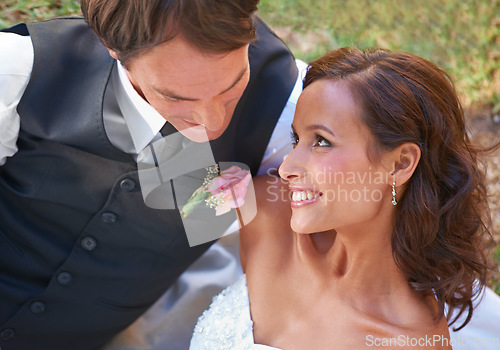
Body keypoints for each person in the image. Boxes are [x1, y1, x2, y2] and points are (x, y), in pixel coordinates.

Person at [0, 0, 304, 349]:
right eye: (176, 98)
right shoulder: (17, 71)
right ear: (111, 47)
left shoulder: (292, 109)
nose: (213, 123)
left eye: (232, 87)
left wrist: (262, 196)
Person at [189, 47, 500, 349]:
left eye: (322, 141)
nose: (286, 168)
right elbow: (162, 207)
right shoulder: (266, 212)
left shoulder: (406, 342)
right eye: (297, 139)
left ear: (400, 164)